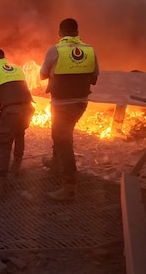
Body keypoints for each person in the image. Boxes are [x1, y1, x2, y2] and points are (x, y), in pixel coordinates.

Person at [40, 18, 99, 201]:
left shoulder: (55, 50)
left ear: (60, 33)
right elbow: (94, 78)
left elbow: (42, 75)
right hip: (81, 103)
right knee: (59, 134)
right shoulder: (89, 50)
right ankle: (56, 163)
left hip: (62, 103)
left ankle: (69, 187)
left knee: (63, 141)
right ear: (77, 32)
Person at [0, 48, 35, 198]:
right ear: (4, 57)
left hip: (11, 110)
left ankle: (0, 185)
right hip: (28, 108)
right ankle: (16, 169)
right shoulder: (18, 69)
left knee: (4, 144)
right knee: (19, 134)